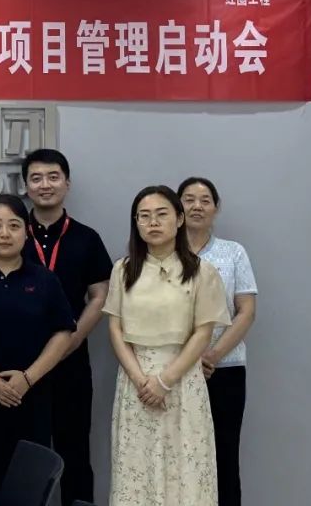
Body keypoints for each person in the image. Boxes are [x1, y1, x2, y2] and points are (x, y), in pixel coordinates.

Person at [103, 185, 231, 506]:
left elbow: (203, 332)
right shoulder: (122, 270)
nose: (153, 223)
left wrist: (164, 381)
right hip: (136, 383)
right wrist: (141, 380)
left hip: (182, 381)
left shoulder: (202, 272)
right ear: (136, 223)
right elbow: (116, 329)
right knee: (137, 467)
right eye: (144, 216)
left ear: (179, 218)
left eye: (162, 214)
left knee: (185, 468)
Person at [0, 194, 75, 505]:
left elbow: (63, 332)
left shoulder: (45, 280)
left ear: (27, 231)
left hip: (33, 395)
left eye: (14, 225)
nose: (4, 233)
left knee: (31, 483)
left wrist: (27, 378)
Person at [20, 149, 112, 506]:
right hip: (24, 365)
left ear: (67, 183)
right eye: (36, 178)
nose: (45, 185)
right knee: (28, 456)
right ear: (26, 186)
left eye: (53, 177)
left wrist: (72, 339)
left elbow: (100, 295)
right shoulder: (13, 234)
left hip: (72, 363)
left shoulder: (86, 238)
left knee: (75, 452)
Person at [179, 177, 257, 506]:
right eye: (188, 199)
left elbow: (246, 311)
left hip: (223, 370)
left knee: (223, 457)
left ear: (216, 207)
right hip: (174, 372)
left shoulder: (233, 252)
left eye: (205, 200)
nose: (197, 206)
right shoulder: (164, 252)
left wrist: (210, 356)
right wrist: (186, 361)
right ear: (178, 207)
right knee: (180, 457)